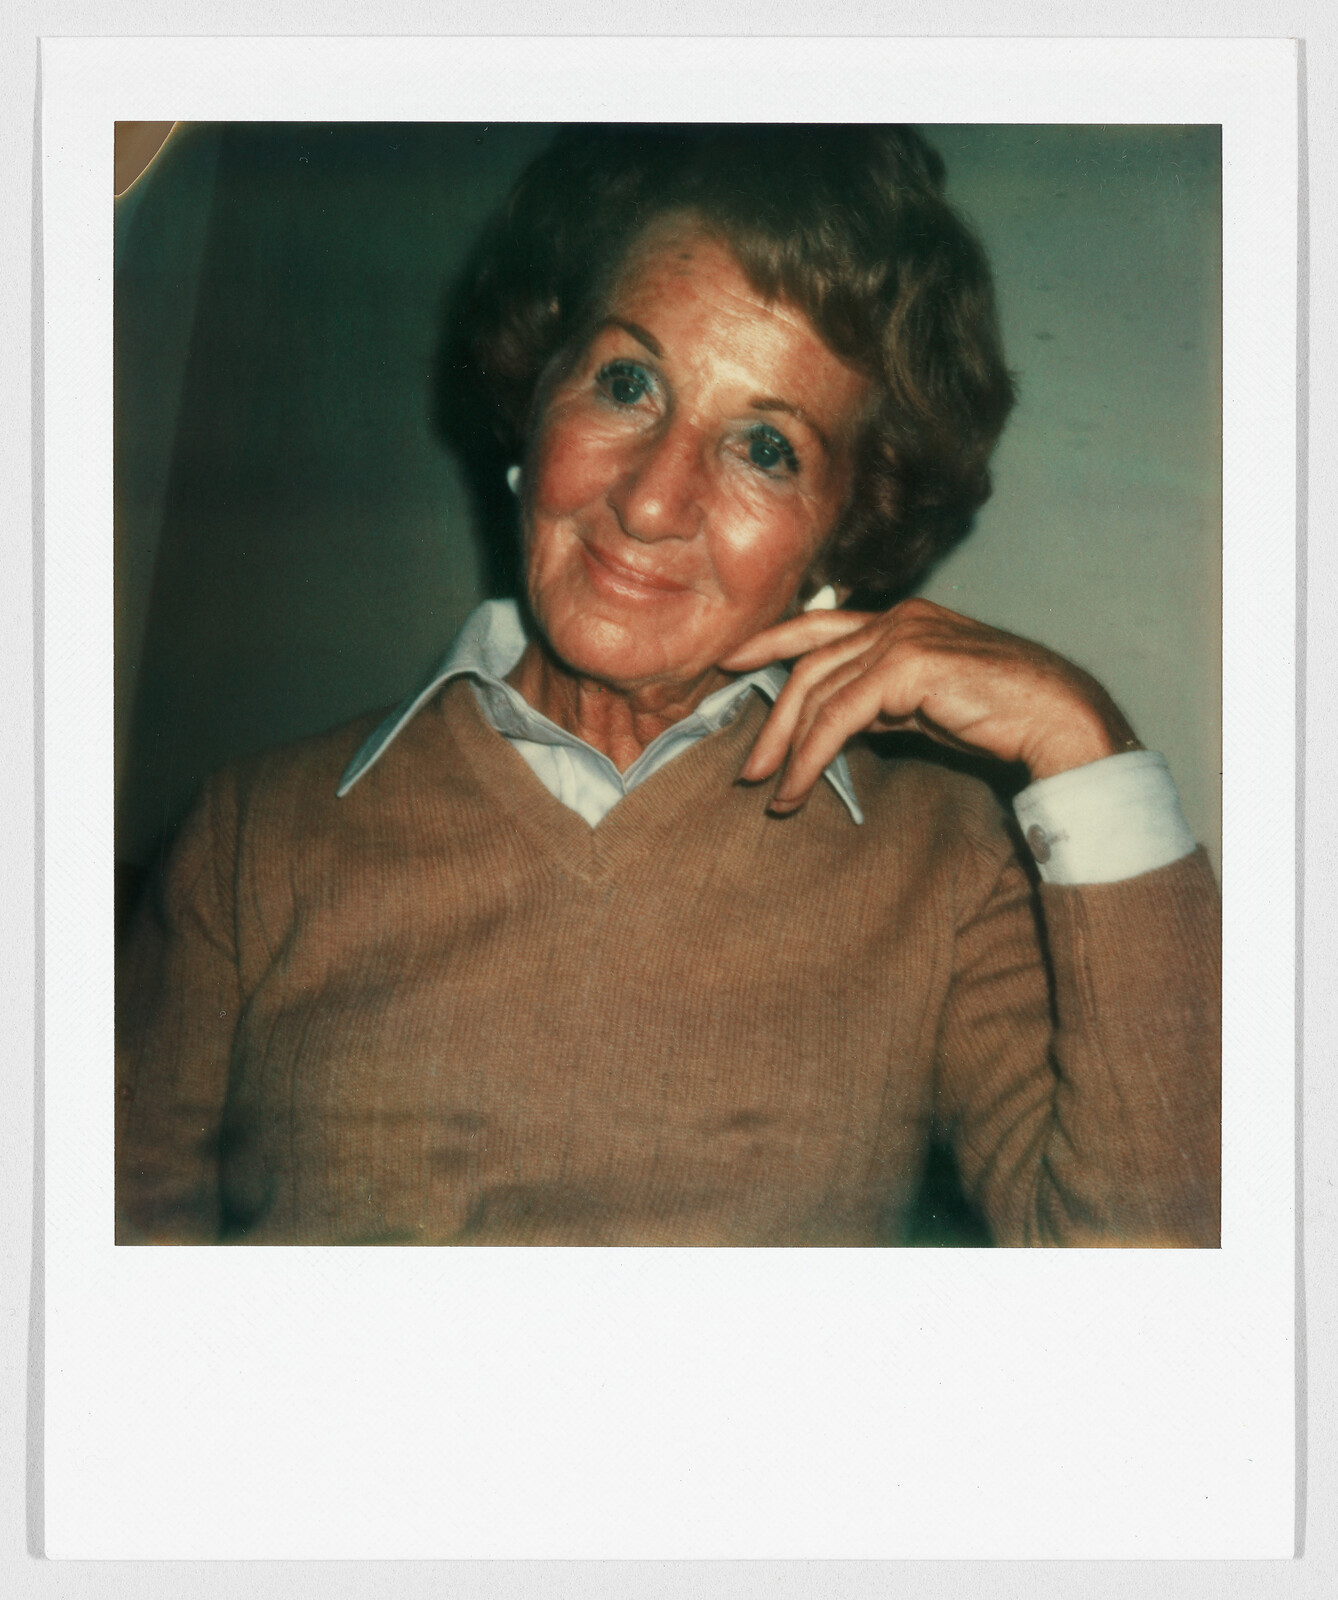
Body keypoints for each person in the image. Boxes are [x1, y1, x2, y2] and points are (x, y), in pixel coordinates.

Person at [115, 125, 1220, 1247]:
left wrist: (1084, 740)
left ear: (845, 532)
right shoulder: (252, 838)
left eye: (766, 448)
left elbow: (1148, 1280)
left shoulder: (944, 868)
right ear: (537, 394)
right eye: (628, 383)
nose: (650, 503)